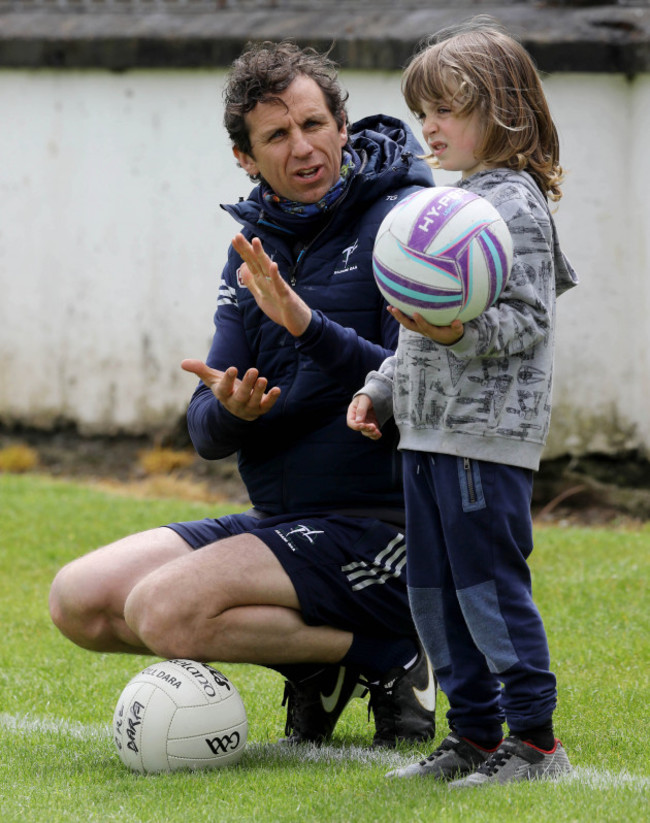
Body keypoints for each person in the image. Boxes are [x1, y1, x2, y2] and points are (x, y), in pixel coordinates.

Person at [48, 40, 438, 748]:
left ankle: (394, 651)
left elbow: (419, 387)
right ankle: (318, 664)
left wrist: (307, 326)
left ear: (343, 127)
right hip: (284, 522)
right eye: (277, 136)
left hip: (385, 527)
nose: (303, 148)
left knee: (164, 612)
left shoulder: (405, 225)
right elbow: (203, 430)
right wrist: (230, 410)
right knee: (79, 599)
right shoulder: (255, 247)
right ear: (245, 157)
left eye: (315, 124)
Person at [347, 19, 578, 784]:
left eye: (445, 110)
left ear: (503, 110)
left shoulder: (513, 206)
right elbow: (415, 333)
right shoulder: (452, 203)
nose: (429, 129)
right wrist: (381, 388)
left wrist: (452, 327)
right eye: (423, 114)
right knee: (433, 592)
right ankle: (473, 737)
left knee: (486, 588)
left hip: (484, 439)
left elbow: (525, 322)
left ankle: (536, 741)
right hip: (426, 434)